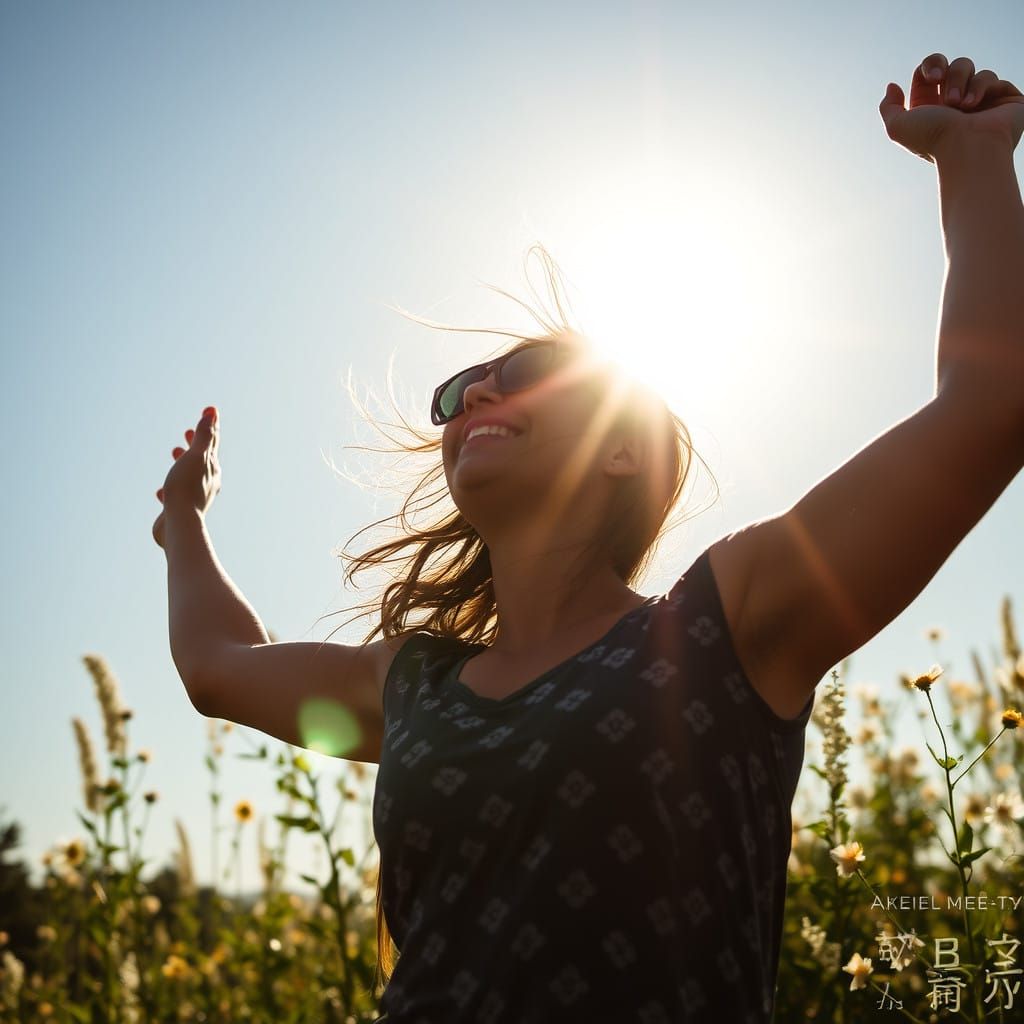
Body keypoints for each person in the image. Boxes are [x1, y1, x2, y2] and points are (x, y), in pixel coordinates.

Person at [154, 51, 1024, 1023]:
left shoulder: (725, 625)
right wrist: (184, 523)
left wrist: (974, 159)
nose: (477, 391)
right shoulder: (411, 683)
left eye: (527, 369)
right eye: (459, 391)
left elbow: (990, 405)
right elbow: (218, 666)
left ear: (621, 449)